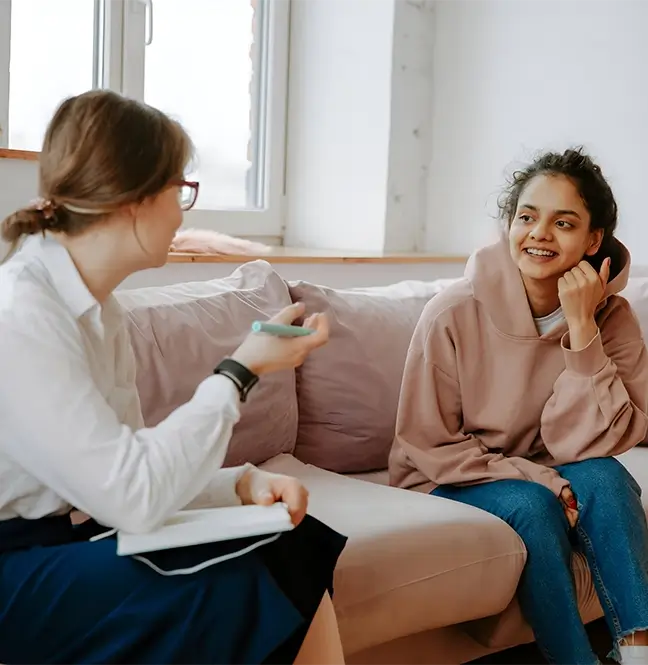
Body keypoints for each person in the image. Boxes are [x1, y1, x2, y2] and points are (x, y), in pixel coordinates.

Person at [0, 90, 348, 665]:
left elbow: (130, 469)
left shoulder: (101, 310)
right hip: (14, 567)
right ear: (134, 199)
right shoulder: (22, 316)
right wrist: (241, 369)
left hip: (62, 541)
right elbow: (132, 499)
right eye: (180, 190)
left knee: (293, 541)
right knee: (223, 585)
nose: (184, 211)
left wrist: (237, 485)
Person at [389, 148, 648, 665]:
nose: (539, 234)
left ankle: (639, 652)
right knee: (534, 507)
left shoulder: (612, 319)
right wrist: (543, 480)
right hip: (448, 476)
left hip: (549, 464)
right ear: (509, 225)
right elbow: (427, 443)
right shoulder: (452, 314)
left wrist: (582, 331)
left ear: (594, 240)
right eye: (527, 217)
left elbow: (605, 441)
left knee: (610, 477)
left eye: (564, 222)